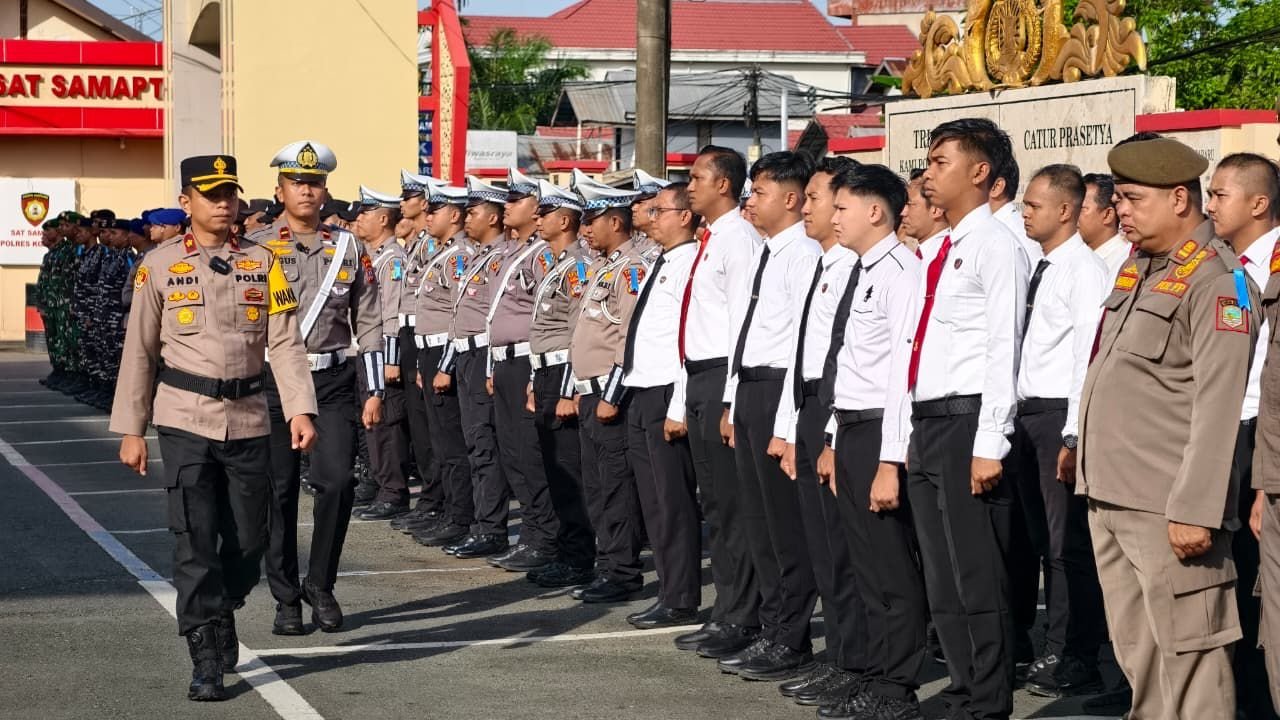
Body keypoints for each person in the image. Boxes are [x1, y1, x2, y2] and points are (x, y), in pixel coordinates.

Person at [109, 154, 317, 701]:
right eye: (212, 195)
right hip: (183, 417)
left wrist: (300, 409)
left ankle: (222, 605)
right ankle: (205, 651)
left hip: (249, 417)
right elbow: (140, 351)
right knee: (195, 537)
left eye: (230, 193)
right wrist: (132, 429)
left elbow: (286, 342)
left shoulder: (264, 263)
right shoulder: (158, 266)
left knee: (252, 539)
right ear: (187, 203)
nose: (224, 203)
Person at [1081, 134, 1255, 720]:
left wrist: (1196, 509)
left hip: (1168, 508)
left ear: (1180, 199)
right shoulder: (1140, 268)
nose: (1118, 210)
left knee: (1193, 661)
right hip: (1112, 496)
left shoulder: (1218, 282)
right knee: (1143, 658)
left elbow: (1219, 403)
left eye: (1130, 198)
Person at [912, 117, 1027, 720]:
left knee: (977, 571)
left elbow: (1002, 348)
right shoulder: (946, 247)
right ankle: (960, 686)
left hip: (967, 423)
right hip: (928, 421)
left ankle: (987, 700)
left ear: (980, 173)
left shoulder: (996, 245)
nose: (929, 174)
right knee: (941, 574)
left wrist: (990, 440)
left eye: (940, 162)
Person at [251, 140, 385, 636]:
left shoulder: (349, 248)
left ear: (326, 190)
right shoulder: (258, 247)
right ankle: (286, 596)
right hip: (271, 384)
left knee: (337, 483)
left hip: (330, 381)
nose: (307, 190)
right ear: (280, 189)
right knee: (278, 491)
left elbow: (369, 322)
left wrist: (374, 390)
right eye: (296, 182)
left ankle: (321, 583)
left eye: (315, 182)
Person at [819, 163, 926, 720]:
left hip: (884, 429)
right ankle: (873, 673)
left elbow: (899, 375)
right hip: (854, 426)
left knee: (890, 565)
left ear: (875, 211)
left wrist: (890, 460)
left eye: (842, 208)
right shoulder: (863, 270)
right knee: (862, 561)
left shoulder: (900, 272)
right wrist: (835, 436)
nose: (833, 217)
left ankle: (897, 686)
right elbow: (851, 365)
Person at [719, 151, 822, 682]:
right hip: (753, 390)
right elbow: (749, 331)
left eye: (758, 192)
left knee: (784, 526)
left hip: (781, 389)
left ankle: (791, 635)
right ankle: (770, 625)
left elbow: (798, 345)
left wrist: (784, 427)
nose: (749, 201)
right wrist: (734, 402)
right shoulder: (768, 251)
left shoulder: (803, 253)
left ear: (790, 197)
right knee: (758, 520)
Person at [773, 156, 868, 708]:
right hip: (810, 407)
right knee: (824, 546)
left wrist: (826, 431)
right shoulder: (826, 264)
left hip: (839, 413)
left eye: (817, 198)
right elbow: (800, 354)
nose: (807, 208)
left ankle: (855, 661)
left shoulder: (857, 267)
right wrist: (790, 427)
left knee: (844, 549)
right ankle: (840, 656)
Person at [1012, 164, 1109, 698]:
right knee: (1039, 541)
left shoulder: (1084, 271)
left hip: (1057, 416)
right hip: (1029, 412)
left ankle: (1074, 652)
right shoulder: (1040, 265)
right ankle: (1050, 641)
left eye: (1034, 205)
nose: (1026, 213)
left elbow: (1083, 360)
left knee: (1066, 543)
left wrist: (1073, 434)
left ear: (1066, 210)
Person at [677, 145, 763, 659]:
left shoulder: (739, 241)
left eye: (697, 177)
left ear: (724, 184)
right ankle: (727, 609)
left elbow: (740, 328)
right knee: (715, 503)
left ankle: (742, 615)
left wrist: (729, 398)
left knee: (732, 506)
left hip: (722, 376)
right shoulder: (715, 238)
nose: (689, 186)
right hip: (701, 376)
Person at [1207, 153, 1280, 720]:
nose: (1210, 205)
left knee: (1260, 581)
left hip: (1262, 434)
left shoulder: (1271, 264)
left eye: (1220, 195)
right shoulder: (1222, 264)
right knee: (1228, 572)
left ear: (1258, 203)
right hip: (1227, 428)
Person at [620, 181, 701, 628]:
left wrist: (678, 405)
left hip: (668, 391)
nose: (651, 219)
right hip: (643, 388)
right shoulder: (663, 261)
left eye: (659, 211)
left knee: (672, 501)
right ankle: (671, 590)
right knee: (652, 500)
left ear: (685, 216)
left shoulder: (692, 263)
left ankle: (681, 597)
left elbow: (690, 339)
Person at [566, 171, 648, 603]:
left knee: (616, 487)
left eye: (592, 221)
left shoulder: (631, 270)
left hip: (609, 396)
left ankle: (622, 572)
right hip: (590, 391)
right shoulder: (604, 268)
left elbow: (628, 338)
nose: (585, 230)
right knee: (597, 487)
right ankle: (607, 564)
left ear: (614, 222)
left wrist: (611, 396)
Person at [484, 167, 563, 573]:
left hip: (525, 361)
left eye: (516, 200)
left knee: (530, 455)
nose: (507, 206)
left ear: (537, 211)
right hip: (504, 361)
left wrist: (533, 374)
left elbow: (544, 320)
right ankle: (531, 533)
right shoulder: (513, 254)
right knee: (512, 453)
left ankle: (542, 536)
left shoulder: (541, 255)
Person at [434, 176, 514, 560]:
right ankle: (483, 524)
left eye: (476, 210)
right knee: (473, 442)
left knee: (485, 444)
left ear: (495, 217)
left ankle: (491, 527)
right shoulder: (480, 255)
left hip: (484, 355)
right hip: (466, 355)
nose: (468, 217)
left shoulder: (503, 257)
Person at [523, 179, 597, 588]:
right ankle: (568, 551)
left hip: (564, 376)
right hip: (547, 373)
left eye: (545, 213)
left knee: (570, 472)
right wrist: (537, 380)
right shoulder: (556, 264)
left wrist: (569, 389)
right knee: (554, 469)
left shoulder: (579, 267)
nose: (537, 218)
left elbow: (576, 334)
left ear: (565, 220)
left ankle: (579, 557)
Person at [410, 179, 477, 548]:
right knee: (439, 441)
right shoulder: (443, 253)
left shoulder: (460, 256)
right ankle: (450, 512)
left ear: (454, 215)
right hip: (428, 352)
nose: (428, 216)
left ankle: (460, 516)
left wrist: (445, 366)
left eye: (435, 210)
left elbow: (458, 317)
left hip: (444, 354)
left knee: (452, 443)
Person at [351, 186, 414, 521]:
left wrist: (390, 359)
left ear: (384, 219)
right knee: (371, 422)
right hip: (367, 350)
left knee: (387, 422)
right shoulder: (371, 257)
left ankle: (393, 491)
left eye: (366, 213)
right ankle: (380, 483)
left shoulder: (392, 261)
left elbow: (391, 314)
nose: (359, 219)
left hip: (383, 351)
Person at [392, 170, 440, 529]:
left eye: (408, 197)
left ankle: (437, 499)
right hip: (413, 334)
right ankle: (432, 497)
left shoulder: (434, 244)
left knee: (431, 426)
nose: (402, 203)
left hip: (430, 336)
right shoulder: (419, 242)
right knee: (421, 423)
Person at [1080, 173, 1129, 278]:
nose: (1071, 215)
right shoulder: (1075, 257)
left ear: (1107, 215)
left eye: (1080, 209)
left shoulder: (1122, 263)